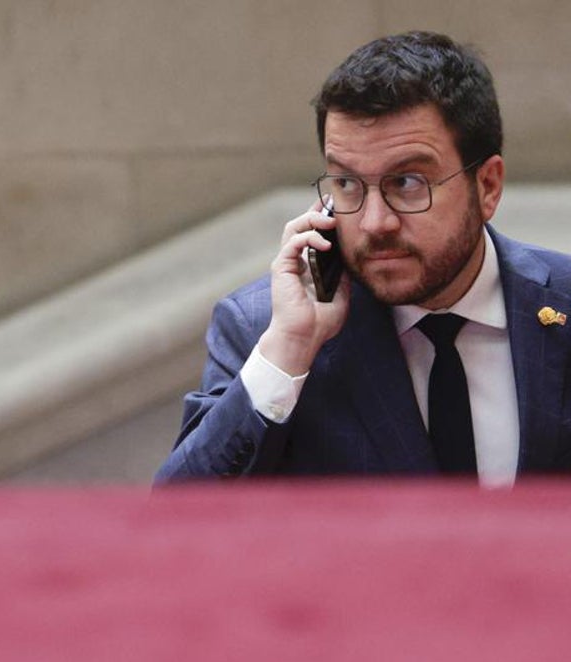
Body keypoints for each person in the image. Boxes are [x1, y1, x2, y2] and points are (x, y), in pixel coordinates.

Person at [154, 31, 571, 486]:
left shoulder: (560, 302)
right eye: (348, 184)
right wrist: (290, 348)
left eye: (408, 182)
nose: (375, 223)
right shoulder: (265, 329)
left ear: (487, 186)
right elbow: (176, 518)